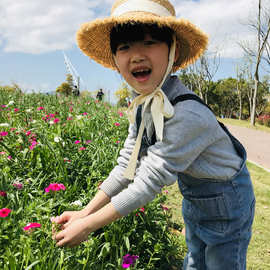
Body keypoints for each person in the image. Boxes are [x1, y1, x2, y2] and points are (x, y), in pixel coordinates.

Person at [51, 0, 255, 269]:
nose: (136, 55)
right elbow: (128, 166)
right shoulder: (143, 103)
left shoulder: (187, 113)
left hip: (228, 203)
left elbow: (148, 181)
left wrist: (88, 225)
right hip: (197, 199)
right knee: (195, 260)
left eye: (149, 42)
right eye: (124, 46)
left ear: (174, 50)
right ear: (115, 59)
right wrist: (85, 211)